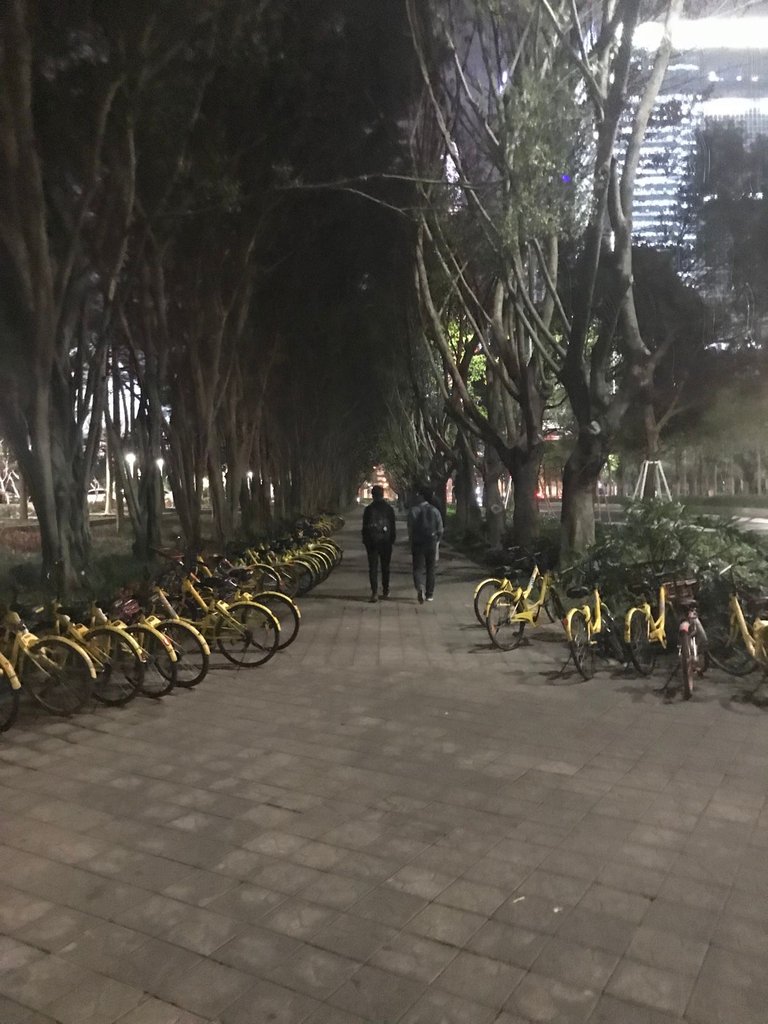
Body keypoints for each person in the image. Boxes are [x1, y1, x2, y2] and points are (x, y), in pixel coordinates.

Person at [407, 486, 444, 603]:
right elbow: (440, 529)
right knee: (430, 569)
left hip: (418, 543)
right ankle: (429, 594)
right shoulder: (435, 511)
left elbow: (410, 529)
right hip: (431, 542)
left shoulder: (413, 510)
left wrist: (411, 542)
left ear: (421, 496)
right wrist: (437, 541)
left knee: (417, 568)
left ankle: (419, 587)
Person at [361, 485, 396, 603]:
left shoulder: (368, 509)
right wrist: (392, 540)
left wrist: (365, 541)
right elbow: (393, 526)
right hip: (386, 542)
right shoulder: (389, 509)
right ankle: (385, 590)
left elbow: (364, 528)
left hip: (372, 542)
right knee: (385, 567)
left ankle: (374, 592)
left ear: (372, 495)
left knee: (373, 568)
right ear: (382, 494)